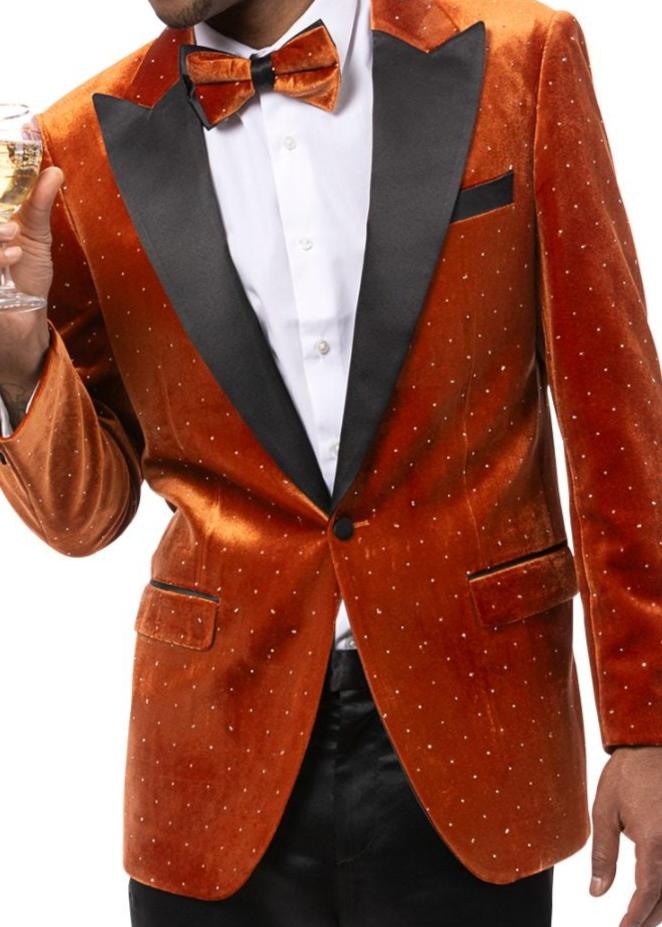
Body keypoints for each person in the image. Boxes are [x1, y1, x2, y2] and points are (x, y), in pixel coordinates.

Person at [0, 0, 661, 924]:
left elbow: (613, 417)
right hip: (209, 774)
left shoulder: (522, 60)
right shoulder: (77, 148)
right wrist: (19, 354)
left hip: (479, 740)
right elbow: (86, 515)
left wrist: (646, 726)